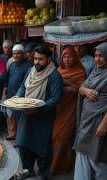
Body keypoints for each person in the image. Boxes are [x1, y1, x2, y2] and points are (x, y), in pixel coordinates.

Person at [14, 45, 63, 179]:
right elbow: (22, 87)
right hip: (27, 114)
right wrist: (17, 96)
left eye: (40, 59)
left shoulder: (54, 76)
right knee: (23, 143)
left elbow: (55, 98)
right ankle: (28, 169)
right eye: (35, 59)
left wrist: (38, 106)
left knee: (42, 147)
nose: (37, 62)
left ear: (48, 59)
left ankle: (43, 174)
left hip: (44, 116)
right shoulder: (31, 71)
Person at [50, 47, 86, 175]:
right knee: (54, 137)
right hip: (58, 109)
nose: (67, 59)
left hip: (71, 110)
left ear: (75, 58)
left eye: (70, 57)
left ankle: (62, 167)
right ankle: (53, 166)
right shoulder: (59, 71)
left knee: (64, 137)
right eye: (64, 57)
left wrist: (68, 85)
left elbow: (82, 90)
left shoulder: (81, 72)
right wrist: (65, 87)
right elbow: (52, 88)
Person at [73, 42, 107, 180]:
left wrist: (104, 125)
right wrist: (86, 91)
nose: (97, 59)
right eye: (96, 55)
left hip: (99, 122)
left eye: (101, 56)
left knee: (97, 156)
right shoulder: (96, 71)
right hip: (86, 120)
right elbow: (81, 87)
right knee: (82, 152)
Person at [5, 44, 33, 140]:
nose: (15, 55)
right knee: (10, 115)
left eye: (18, 53)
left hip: (22, 94)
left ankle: (20, 137)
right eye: (14, 54)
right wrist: (5, 91)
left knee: (20, 116)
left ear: (23, 54)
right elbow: (8, 78)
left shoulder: (29, 66)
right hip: (10, 93)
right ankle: (11, 133)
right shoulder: (12, 65)